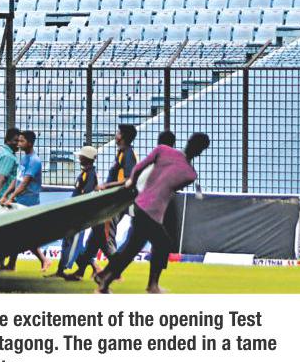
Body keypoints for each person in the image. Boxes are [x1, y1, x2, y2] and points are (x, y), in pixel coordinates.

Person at [94, 132, 211, 295]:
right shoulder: (190, 174)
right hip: (152, 212)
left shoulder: (162, 150)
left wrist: (131, 182)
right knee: (162, 244)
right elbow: (172, 185)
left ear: (188, 141)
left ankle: (105, 278)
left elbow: (139, 167)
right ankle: (149, 285)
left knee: (133, 248)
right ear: (200, 152)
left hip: (141, 205)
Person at [64, 123, 138, 282]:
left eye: (118, 132)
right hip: (113, 200)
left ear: (123, 136)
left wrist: (106, 186)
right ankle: (80, 271)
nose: (116, 135)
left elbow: (129, 180)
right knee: (96, 236)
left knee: (106, 236)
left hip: (117, 202)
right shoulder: (122, 153)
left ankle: (115, 271)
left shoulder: (128, 154)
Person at [0, 130, 52, 274]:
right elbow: (16, 181)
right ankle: (12, 264)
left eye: (22, 141)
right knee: (18, 235)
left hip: (29, 203)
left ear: (30, 143)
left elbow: (24, 183)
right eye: (18, 141)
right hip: (20, 201)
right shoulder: (24, 159)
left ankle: (43, 260)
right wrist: (6, 195)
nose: (19, 143)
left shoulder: (35, 161)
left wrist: (10, 198)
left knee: (23, 236)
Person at [55, 145, 99, 276]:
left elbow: (86, 195)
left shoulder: (90, 175)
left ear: (86, 158)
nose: (79, 157)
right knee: (71, 242)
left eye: (81, 156)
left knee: (73, 242)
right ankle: (95, 267)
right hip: (75, 213)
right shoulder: (85, 173)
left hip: (80, 215)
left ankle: (62, 270)